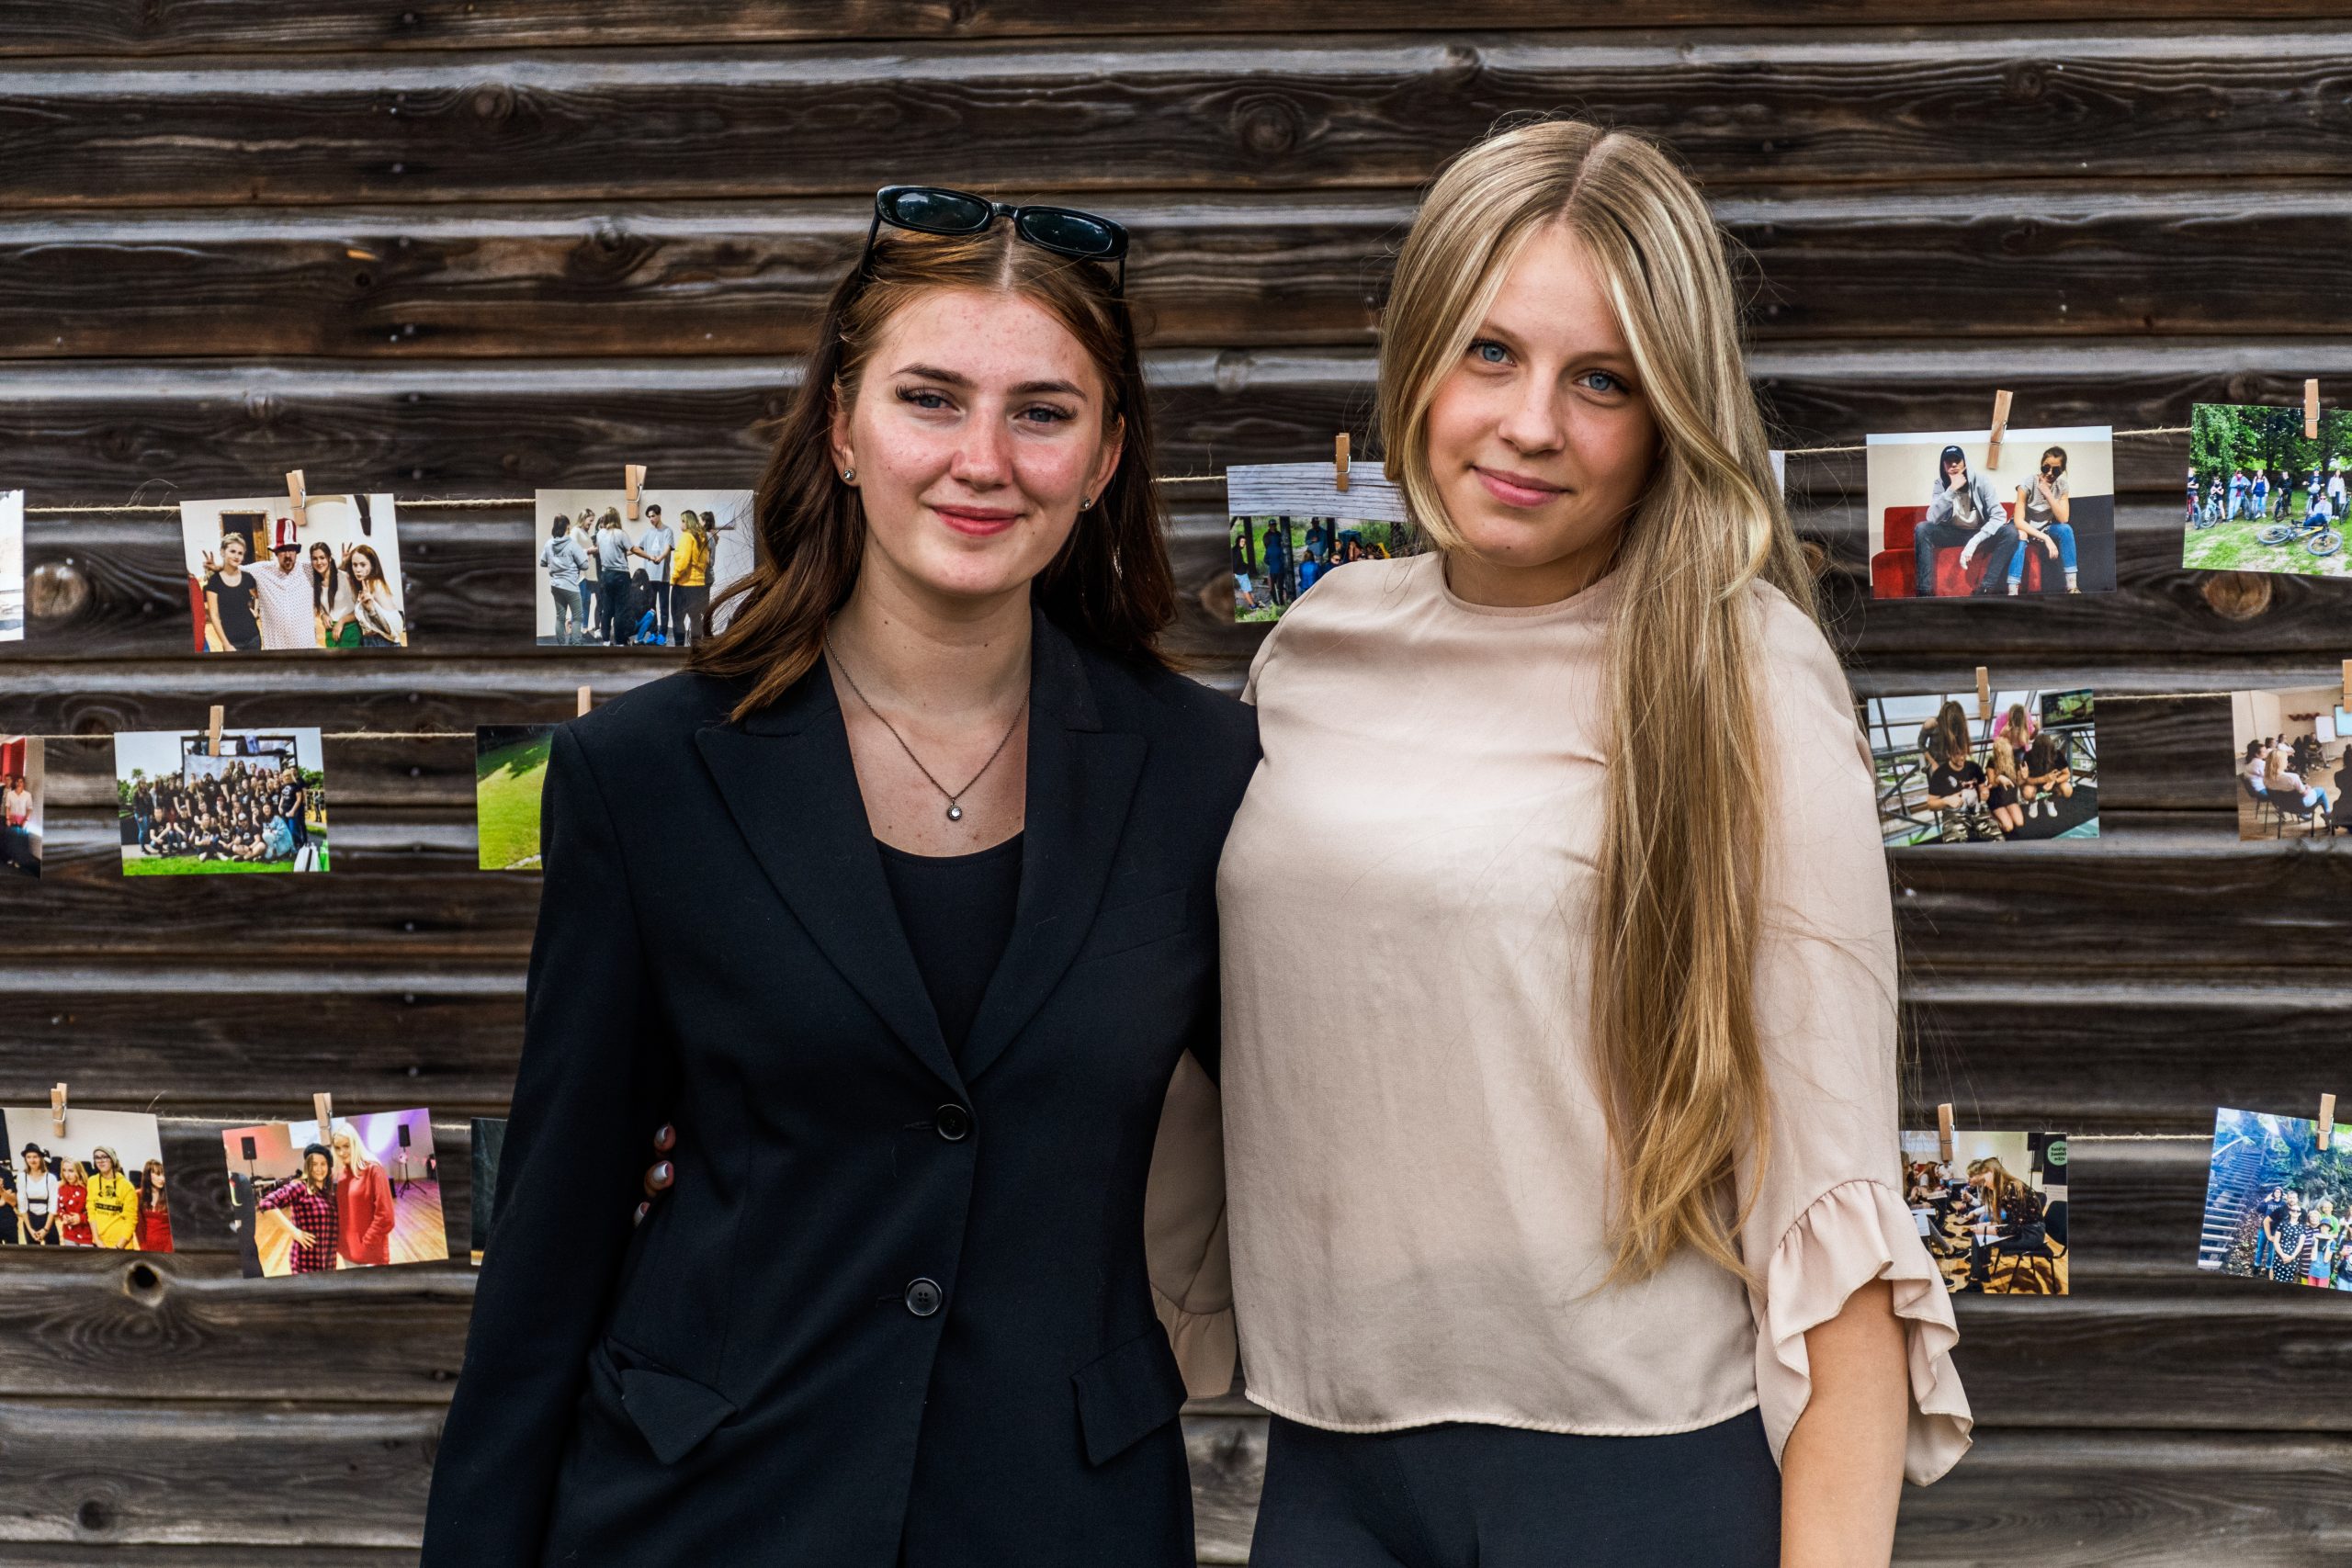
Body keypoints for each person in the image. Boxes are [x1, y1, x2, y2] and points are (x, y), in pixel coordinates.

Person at [423, 185, 1256, 1568]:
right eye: (930, 399)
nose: (983, 460)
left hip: (1063, 1513)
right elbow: (556, 1227)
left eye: (1043, 412)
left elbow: (1322, 1107)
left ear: (1106, 456)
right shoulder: (645, 774)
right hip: (705, 1506)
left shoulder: (1208, 772)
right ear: (840, 428)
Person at [1212, 120, 1964, 1567]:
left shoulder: (1740, 670)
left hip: (1633, 1480)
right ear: (1418, 352)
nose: (1532, 422)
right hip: (1327, 1468)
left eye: (1601, 379)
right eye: (1489, 352)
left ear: (1670, 410)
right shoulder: (1315, 645)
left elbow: (1834, 1212)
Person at [1918, 444, 2014, 595]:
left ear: (1965, 463)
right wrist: (1951, 490)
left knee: (2011, 532)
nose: (1954, 465)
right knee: (1922, 528)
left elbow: (1999, 515)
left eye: (1957, 460)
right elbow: (1931, 518)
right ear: (1943, 466)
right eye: (1949, 461)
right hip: (1953, 534)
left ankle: (1986, 588)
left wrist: (1975, 540)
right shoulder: (1940, 484)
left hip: (1978, 533)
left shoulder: (1981, 481)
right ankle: (1924, 592)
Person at [255, 1145, 339, 1275]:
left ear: (328, 1167)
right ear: (308, 1166)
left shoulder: (329, 1193)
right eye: (314, 1164)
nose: (319, 1169)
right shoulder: (300, 1187)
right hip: (306, 1263)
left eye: (323, 1164)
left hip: (328, 1262)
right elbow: (266, 1203)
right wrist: (294, 1232)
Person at [2007, 446, 2078, 594]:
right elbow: (2019, 521)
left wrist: (2048, 493)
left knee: (2066, 530)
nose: (2050, 473)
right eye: (2046, 468)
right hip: (2024, 527)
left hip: (2045, 527)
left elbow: (2064, 518)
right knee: (2021, 535)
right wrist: (2046, 538)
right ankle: (2012, 591)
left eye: (2056, 470)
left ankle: (2072, 587)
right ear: (2041, 465)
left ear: (2062, 470)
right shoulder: (2027, 483)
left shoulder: (2062, 486)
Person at [331, 1123, 397, 1268]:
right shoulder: (342, 1174)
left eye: (346, 1146)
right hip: (347, 1252)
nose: (341, 1152)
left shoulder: (373, 1170)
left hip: (369, 1254)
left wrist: (366, 1243)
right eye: (337, 1148)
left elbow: (386, 1217)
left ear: (355, 1143)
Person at [201, 531, 264, 652]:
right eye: (232, 551)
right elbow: (214, 615)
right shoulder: (214, 581)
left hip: (254, 638)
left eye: (240, 553)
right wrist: (226, 644)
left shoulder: (248, 577)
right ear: (222, 552)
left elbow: (256, 595)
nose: (236, 556)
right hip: (232, 642)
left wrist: (255, 610)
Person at [541, 514, 592, 645]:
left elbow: (543, 562)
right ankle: (575, 644)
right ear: (567, 527)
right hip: (570, 586)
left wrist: (556, 564)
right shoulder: (572, 545)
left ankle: (561, 645)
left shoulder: (548, 543)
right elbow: (584, 565)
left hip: (555, 585)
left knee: (560, 617)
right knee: (578, 616)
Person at [345, 544, 407, 648]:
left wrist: (372, 611)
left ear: (372, 566)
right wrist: (344, 563)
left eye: (363, 565)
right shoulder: (363, 585)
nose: (358, 569)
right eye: (354, 565)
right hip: (370, 642)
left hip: (383, 644)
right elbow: (340, 577)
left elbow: (397, 627)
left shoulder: (375, 584)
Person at [631, 503, 676, 643]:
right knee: (651, 608)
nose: (651, 519)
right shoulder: (647, 533)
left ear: (659, 514)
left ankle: (663, 634)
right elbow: (637, 548)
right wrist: (623, 553)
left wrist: (660, 558)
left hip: (663, 577)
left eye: (653, 516)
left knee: (663, 607)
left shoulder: (667, 531)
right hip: (649, 578)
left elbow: (667, 549)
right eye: (649, 517)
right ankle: (653, 633)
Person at [84, 1146, 140, 1250]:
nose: (101, 1161)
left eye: (105, 1157)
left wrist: (118, 1247)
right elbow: (91, 1212)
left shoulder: (127, 1186)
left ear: (113, 1160)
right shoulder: (92, 1181)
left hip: (121, 1245)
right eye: (97, 1157)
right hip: (99, 1243)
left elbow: (130, 1219)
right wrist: (97, 1239)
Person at [670, 511, 712, 647]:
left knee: (678, 619)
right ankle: (696, 649)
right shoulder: (702, 537)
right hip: (699, 585)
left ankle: (679, 650)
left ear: (687, 522)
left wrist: (674, 578)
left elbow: (683, 561)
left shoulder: (686, 537)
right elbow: (706, 561)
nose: (680, 524)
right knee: (695, 618)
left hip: (684, 585)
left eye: (682, 521)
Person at [311, 540, 358, 649]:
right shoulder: (314, 583)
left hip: (350, 630)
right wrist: (323, 615)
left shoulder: (345, 578)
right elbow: (320, 606)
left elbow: (360, 609)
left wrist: (342, 621)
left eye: (322, 557)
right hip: (330, 632)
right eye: (315, 558)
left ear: (329, 558)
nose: (319, 562)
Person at [595, 509, 633, 647]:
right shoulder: (621, 534)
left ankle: (606, 640)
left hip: (606, 575)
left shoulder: (600, 534)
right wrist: (650, 557)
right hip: (620, 575)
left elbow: (601, 550)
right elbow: (633, 549)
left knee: (607, 609)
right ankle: (620, 642)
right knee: (620, 610)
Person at [17, 1145, 56, 1245]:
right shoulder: (22, 1177)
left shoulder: (50, 1178)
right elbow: (22, 1205)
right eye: (29, 1157)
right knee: (33, 1251)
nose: (32, 1160)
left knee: (54, 1250)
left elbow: (53, 1204)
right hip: (30, 1220)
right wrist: (30, 1230)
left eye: (35, 1157)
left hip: (48, 1220)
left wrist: (45, 1229)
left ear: (41, 1158)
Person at [1985, 736, 2026, 835]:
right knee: (2008, 827)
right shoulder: (1992, 762)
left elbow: (2019, 783)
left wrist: (2024, 777)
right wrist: (1998, 779)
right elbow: (1991, 783)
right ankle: (1991, 818)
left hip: (2010, 799)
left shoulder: (2016, 762)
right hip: (1997, 800)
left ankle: (2005, 814)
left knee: (2020, 823)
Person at [135, 1159, 171, 1253]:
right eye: (158, 1174)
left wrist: (168, 1250)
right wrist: (143, 1246)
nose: (162, 1178)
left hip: (168, 1246)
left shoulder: (170, 1196)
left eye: (163, 1175)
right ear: (148, 1175)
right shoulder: (138, 1195)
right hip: (148, 1246)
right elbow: (139, 1226)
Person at [56, 1158, 92, 1247]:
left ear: (79, 1171)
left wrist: (81, 1218)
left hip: (87, 1234)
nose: (67, 1175)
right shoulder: (61, 1188)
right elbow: (60, 1209)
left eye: (71, 1171)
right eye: (64, 1170)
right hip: (69, 1233)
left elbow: (94, 1211)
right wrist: (63, 1216)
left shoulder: (88, 1188)